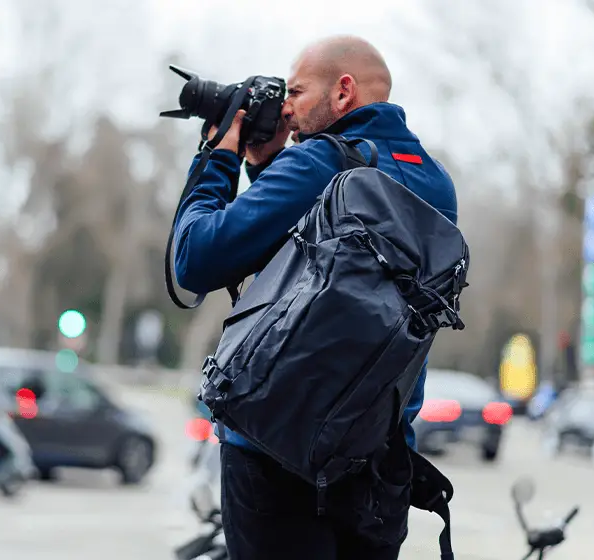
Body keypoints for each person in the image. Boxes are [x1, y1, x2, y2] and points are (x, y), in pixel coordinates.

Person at [172, 35, 458, 559]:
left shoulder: (317, 165)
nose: (287, 107)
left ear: (343, 91)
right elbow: (319, 270)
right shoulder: (435, 183)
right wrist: (267, 168)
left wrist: (219, 154)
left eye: (298, 92)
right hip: (376, 463)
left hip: (274, 457)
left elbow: (195, 259)